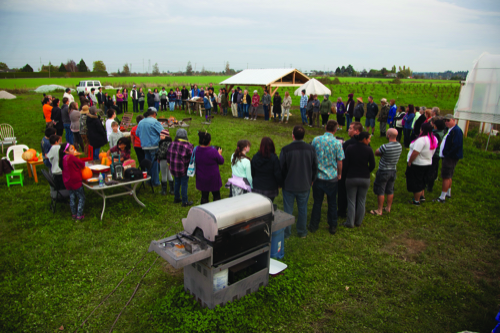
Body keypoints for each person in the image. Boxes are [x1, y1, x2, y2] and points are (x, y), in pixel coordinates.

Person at [280, 125, 318, 239]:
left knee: (288, 209)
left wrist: (282, 181)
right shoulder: (311, 149)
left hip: (289, 185)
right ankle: (301, 232)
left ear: (293, 135)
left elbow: (281, 168)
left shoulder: (286, 150)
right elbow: (315, 166)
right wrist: (312, 179)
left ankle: (287, 232)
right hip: (304, 185)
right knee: (303, 209)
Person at [309, 120, 344, 235]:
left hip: (318, 177)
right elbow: (339, 161)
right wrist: (339, 174)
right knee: (332, 202)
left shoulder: (316, 140)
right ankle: (333, 225)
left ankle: (314, 225)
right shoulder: (337, 143)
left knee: (317, 202)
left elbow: (312, 157)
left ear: (325, 128)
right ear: (335, 130)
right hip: (331, 177)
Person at [343, 131, 375, 228]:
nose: (369, 141)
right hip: (364, 178)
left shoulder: (350, 148)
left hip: (351, 177)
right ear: (364, 139)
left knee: (351, 201)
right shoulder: (369, 150)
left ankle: (350, 222)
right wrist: (367, 171)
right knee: (361, 200)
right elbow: (372, 165)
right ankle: (359, 221)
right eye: (369, 139)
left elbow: (346, 163)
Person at [370, 128, 402, 216]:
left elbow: (376, 152)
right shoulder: (399, 146)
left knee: (381, 190)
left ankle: (379, 210)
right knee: (390, 190)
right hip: (393, 170)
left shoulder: (385, 146)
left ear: (388, 135)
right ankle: (388, 208)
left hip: (384, 170)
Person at [406, 122, 438, 205]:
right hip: (427, 162)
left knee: (416, 181)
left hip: (418, 164)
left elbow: (415, 152)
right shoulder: (434, 138)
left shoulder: (421, 140)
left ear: (422, 129)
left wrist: (410, 161)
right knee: (422, 180)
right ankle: (421, 196)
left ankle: (416, 200)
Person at [434, 114, 463, 203]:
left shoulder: (456, 131)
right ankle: (448, 193)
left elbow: (456, 145)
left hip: (450, 157)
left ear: (454, 120)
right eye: (445, 121)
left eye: (448, 120)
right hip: (447, 156)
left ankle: (442, 197)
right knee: (449, 175)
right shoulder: (449, 130)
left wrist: (447, 154)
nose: (446, 122)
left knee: (446, 176)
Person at [337, 122, 363, 218]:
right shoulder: (365, 143)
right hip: (361, 172)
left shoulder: (348, 144)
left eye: (351, 128)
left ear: (356, 131)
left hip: (347, 172)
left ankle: (342, 211)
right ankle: (356, 212)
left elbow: (342, 158)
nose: (348, 129)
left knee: (343, 192)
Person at [166, 128, 194, 206]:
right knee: (184, 184)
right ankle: (184, 201)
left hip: (173, 168)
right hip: (183, 168)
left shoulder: (171, 144)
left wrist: (169, 164)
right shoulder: (189, 146)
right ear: (185, 135)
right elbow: (192, 158)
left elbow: (168, 156)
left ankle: (176, 198)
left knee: (177, 182)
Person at [195, 132, 224, 204]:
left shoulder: (196, 150)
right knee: (216, 195)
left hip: (201, 177)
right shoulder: (213, 151)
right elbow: (221, 161)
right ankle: (217, 211)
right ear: (209, 141)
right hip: (213, 177)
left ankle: (204, 212)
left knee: (204, 196)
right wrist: (219, 154)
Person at [136, 108, 163, 186]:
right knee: (155, 164)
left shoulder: (141, 122)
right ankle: (155, 181)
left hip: (144, 146)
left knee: (148, 163)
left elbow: (137, 134)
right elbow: (163, 133)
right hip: (154, 145)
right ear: (154, 113)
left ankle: (148, 180)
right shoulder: (155, 122)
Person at [251, 137, 282, 202]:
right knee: (268, 206)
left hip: (257, 187)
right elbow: (277, 173)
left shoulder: (255, 157)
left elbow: (252, 172)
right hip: (270, 189)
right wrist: (280, 184)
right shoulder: (274, 158)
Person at [59, 143, 85, 220]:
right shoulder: (71, 157)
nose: (73, 150)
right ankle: (79, 215)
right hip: (75, 181)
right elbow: (82, 163)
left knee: (72, 197)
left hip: (67, 182)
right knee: (81, 197)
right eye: (71, 149)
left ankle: (74, 214)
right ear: (66, 151)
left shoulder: (63, 158)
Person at [427, 117, 445, 192]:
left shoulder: (436, 134)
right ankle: (430, 183)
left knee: (431, 170)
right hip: (437, 154)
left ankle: (429, 186)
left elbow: (432, 145)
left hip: (434, 154)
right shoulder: (441, 132)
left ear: (436, 126)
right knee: (434, 169)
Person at [157, 129, 174, 195]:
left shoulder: (163, 143)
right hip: (170, 160)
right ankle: (172, 189)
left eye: (163, 135)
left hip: (163, 160)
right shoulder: (170, 142)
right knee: (169, 173)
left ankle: (164, 191)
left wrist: (158, 157)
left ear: (166, 136)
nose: (161, 136)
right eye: (160, 135)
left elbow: (162, 153)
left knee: (163, 174)